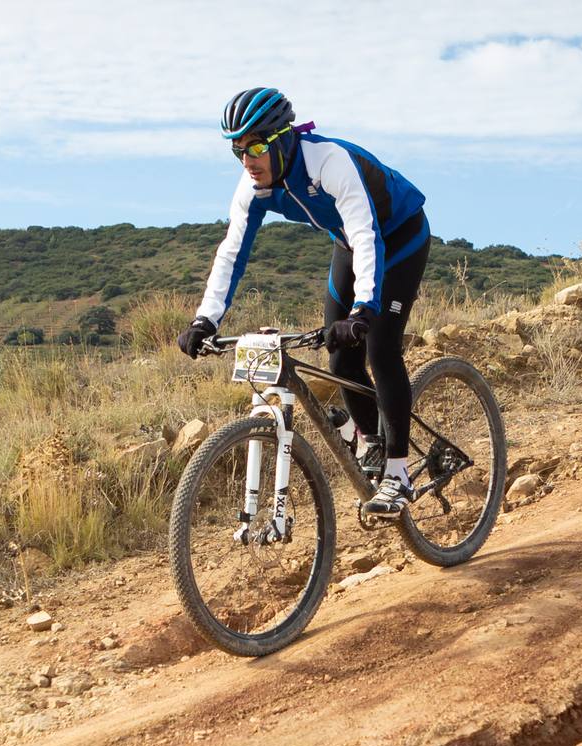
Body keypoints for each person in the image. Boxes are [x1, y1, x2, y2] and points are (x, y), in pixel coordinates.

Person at [174, 87, 430, 515]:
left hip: (399, 236)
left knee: (380, 348)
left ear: (283, 138)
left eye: (255, 146)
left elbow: (367, 232)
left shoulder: (328, 162)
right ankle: (370, 441)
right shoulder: (252, 186)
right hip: (349, 243)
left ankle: (399, 475)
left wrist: (364, 308)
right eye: (237, 150)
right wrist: (206, 319)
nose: (246, 160)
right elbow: (232, 252)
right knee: (339, 356)